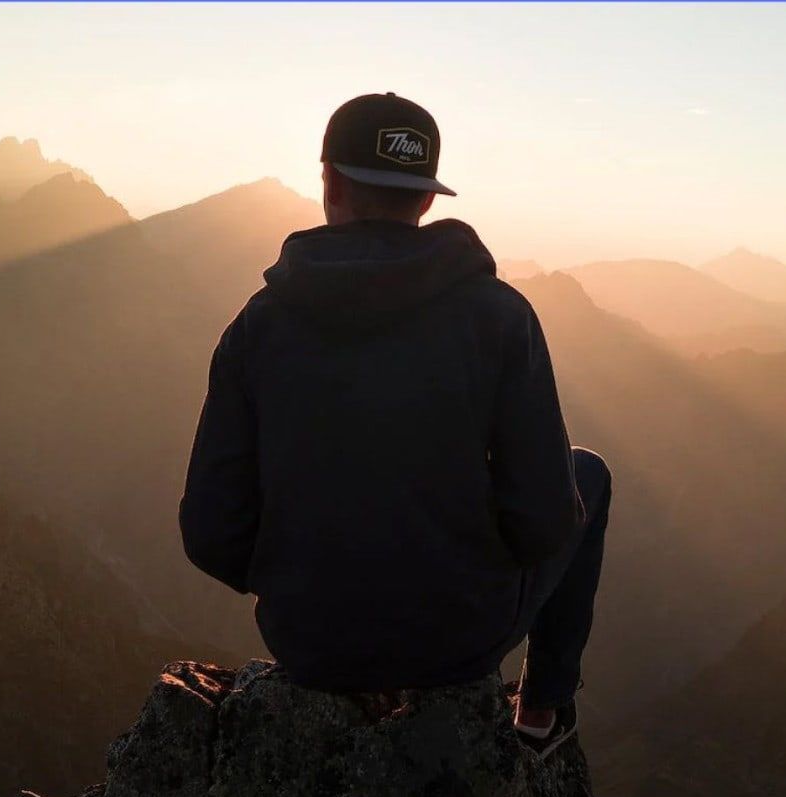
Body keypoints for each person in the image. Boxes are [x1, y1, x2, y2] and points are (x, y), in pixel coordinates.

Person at [179, 92, 610, 755]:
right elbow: (546, 520)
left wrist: (306, 577)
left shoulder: (257, 327)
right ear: (428, 200)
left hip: (309, 640)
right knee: (588, 473)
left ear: (330, 182)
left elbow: (211, 533)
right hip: (458, 642)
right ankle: (541, 714)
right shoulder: (499, 319)